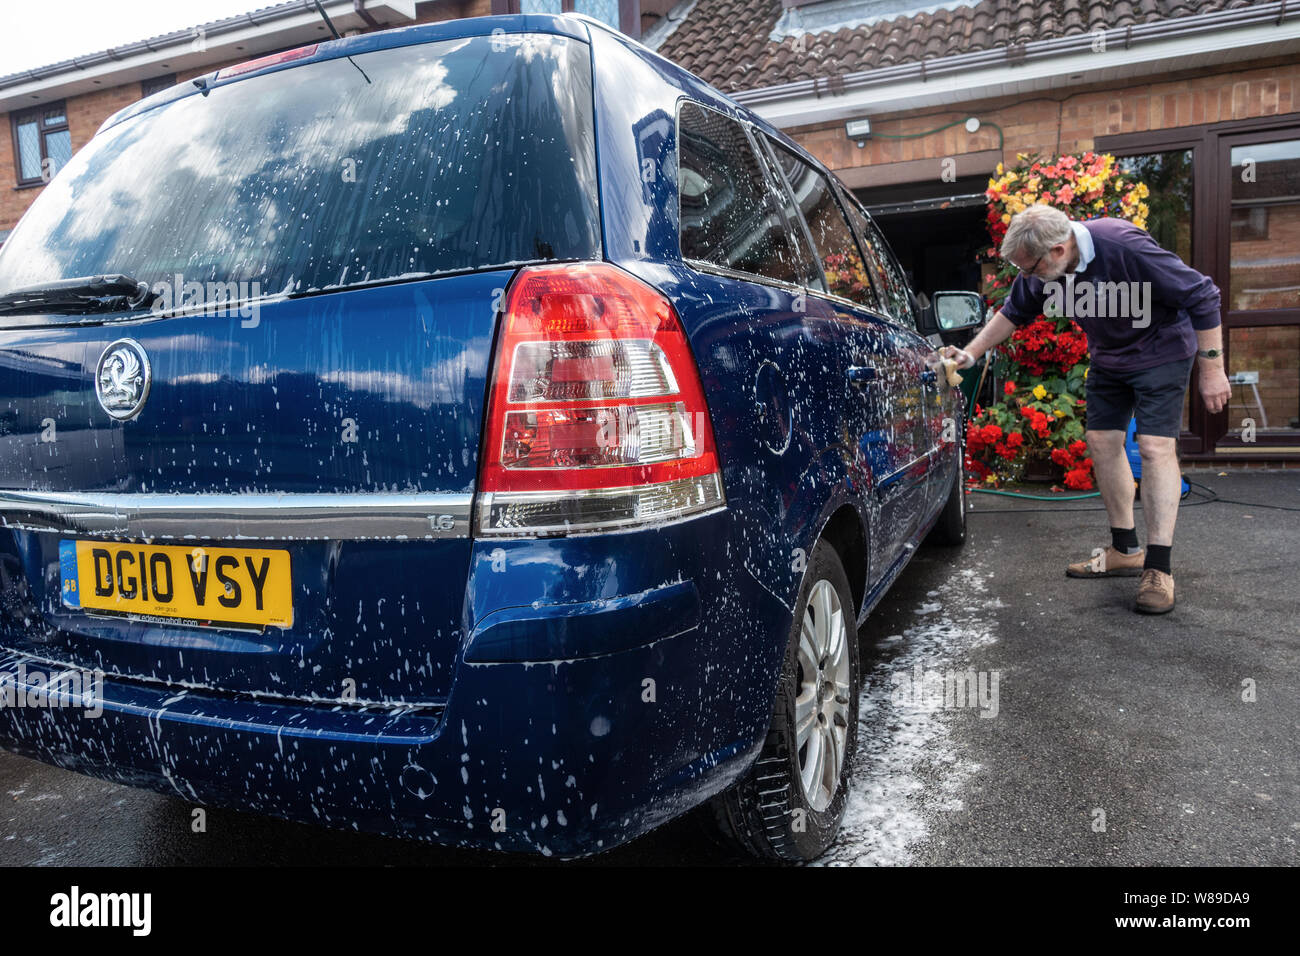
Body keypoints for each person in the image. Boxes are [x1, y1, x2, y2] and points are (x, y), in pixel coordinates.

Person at [937, 205, 1231, 614]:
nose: (1028, 277)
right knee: (1101, 440)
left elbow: (1202, 293)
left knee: (1153, 447)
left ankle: (1159, 569)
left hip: (1161, 352)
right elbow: (1012, 314)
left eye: (1032, 268)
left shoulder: (1124, 245)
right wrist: (970, 353)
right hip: (1110, 358)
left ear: (1059, 250)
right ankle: (1125, 549)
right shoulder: (1042, 267)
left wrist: (1212, 369)